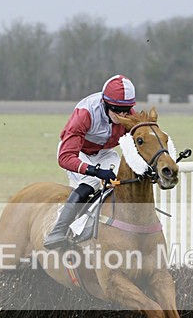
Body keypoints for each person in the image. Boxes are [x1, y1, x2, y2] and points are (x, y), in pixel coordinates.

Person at [43, 74, 137, 249]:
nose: (123, 115)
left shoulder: (129, 115)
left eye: (127, 109)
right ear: (106, 104)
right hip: (76, 152)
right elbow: (65, 157)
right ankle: (58, 230)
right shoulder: (85, 113)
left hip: (104, 153)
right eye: (117, 109)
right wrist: (95, 171)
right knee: (92, 181)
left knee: (122, 178)